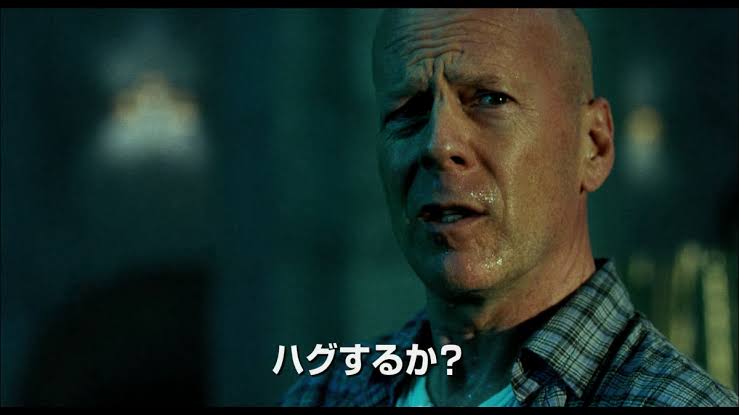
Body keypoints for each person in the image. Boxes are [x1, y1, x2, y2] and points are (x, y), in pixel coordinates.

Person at [281, 8, 739, 407]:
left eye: (490, 99)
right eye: (408, 110)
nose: (438, 144)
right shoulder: (325, 394)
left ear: (593, 144)